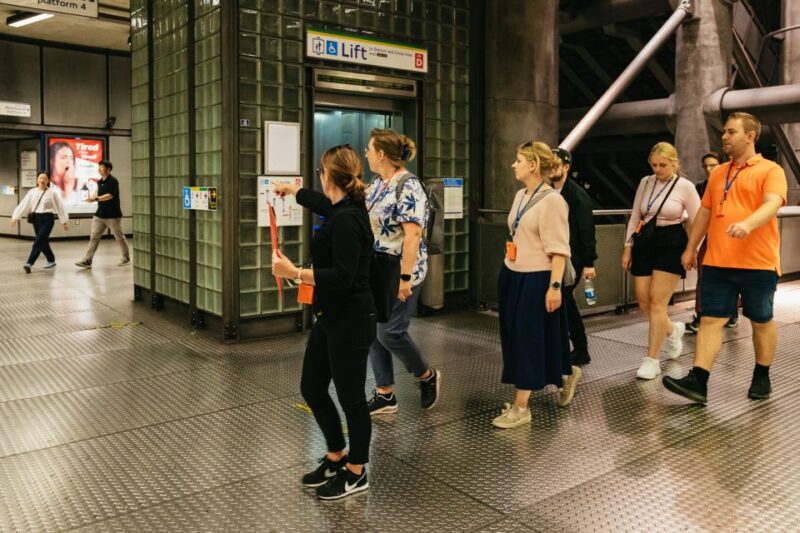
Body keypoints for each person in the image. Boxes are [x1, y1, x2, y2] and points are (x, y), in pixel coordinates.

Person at [271, 144, 376, 500]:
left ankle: (357, 471)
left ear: (328, 176)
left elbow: (344, 276)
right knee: (313, 387)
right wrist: (293, 191)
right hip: (330, 316)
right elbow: (323, 203)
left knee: (352, 400)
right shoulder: (341, 206)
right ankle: (336, 455)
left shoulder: (347, 219)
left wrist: (295, 273)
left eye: (320, 171)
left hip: (351, 319)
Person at [663, 112, 787, 404]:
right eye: (725, 132)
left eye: (731, 132)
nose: (724, 137)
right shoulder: (718, 174)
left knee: (761, 320)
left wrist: (748, 224)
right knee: (710, 320)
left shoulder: (771, 170)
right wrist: (691, 247)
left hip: (758, 263)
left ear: (750, 136)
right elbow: (705, 213)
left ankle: (761, 374)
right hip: (718, 263)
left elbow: (772, 204)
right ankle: (699, 380)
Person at [493, 140, 580, 429]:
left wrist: (554, 287)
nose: (513, 165)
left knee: (526, 339)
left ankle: (522, 406)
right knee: (517, 335)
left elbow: (559, 250)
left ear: (532, 165)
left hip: (537, 278)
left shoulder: (553, 200)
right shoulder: (521, 196)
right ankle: (567, 373)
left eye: (518, 160)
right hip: (513, 273)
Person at [362, 128, 441, 415]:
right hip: (379, 271)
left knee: (391, 332)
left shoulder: (408, 186)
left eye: (369, 149)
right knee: (374, 331)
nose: (366, 154)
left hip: (402, 272)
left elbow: (412, 235)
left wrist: (405, 278)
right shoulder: (378, 183)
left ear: (381, 154)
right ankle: (385, 394)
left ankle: (426, 375)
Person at [622, 142, 701, 380]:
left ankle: (652, 359)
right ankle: (672, 329)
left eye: (663, 165)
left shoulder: (685, 187)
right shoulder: (645, 182)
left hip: (671, 241)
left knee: (658, 303)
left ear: (674, 163)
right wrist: (627, 248)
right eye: (654, 165)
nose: (658, 169)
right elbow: (636, 215)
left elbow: (699, 222)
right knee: (644, 303)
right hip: (646, 241)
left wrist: (692, 249)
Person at [549, 148, 597, 366]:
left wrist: (588, 263)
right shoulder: (550, 193)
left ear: (566, 167)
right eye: (548, 165)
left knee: (565, 301)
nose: (551, 169)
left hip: (573, 258)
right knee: (563, 302)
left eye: (555, 165)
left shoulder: (576, 195)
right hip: (556, 256)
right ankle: (574, 348)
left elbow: (586, 230)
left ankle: (581, 349)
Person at [685, 151, 739, 333]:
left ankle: (731, 312)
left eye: (712, 165)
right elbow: (698, 214)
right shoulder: (700, 187)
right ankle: (701, 316)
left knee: (730, 275)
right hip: (708, 237)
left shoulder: (732, 183)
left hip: (729, 236)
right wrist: (691, 246)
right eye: (705, 166)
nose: (708, 169)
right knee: (704, 275)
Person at [75, 160, 131, 268]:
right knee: (94, 237)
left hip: (113, 215)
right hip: (100, 215)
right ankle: (87, 260)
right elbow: (98, 192)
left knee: (119, 237)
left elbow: (110, 195)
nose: (99, 169)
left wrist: (96, 198)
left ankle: (126, 257)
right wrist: (92, 197)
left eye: (102, 167)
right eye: (99, 167)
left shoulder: (113, 181)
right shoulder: (100, 181)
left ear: (109, 169)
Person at [10, 172, 69, 272]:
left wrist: (64, 221)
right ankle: (51, 259)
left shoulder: (52, 193)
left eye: (45, 178)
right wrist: (15, 217)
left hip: (48, 219)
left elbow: (60, 207)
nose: (42, 180)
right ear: (37, 180)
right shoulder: (32, 192)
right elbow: (24, 204)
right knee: (43, 241)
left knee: (39, 241)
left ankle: (29, 263)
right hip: (36, 219)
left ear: (48, 181)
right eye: (40, 178)